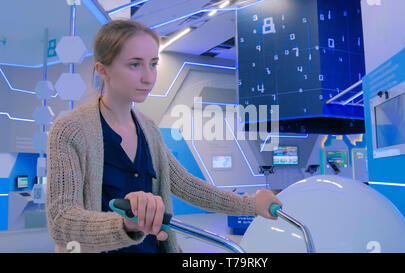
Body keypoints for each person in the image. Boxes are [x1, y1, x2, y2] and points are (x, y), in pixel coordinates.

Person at [45, 19, 282, 253]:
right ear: (102, 69)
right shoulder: (70, 129)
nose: (149, 77)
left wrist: (249, 204)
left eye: (153, 63)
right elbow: (61, 220)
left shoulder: (149, 129)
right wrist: (127, 224)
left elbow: (186, 185)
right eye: (135, 64)